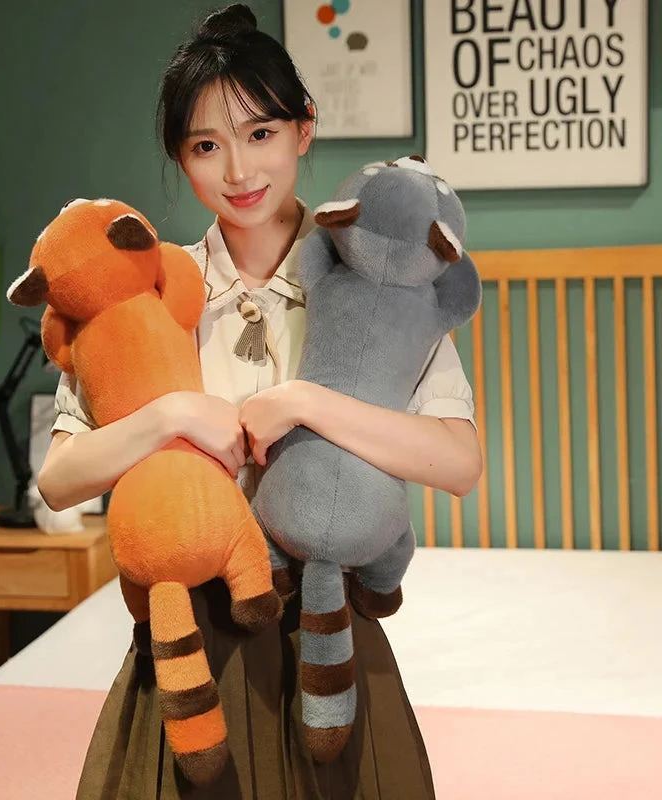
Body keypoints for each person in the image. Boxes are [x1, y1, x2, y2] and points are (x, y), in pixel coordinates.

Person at [38, 5, 482, 798]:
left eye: (261, 134)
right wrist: (171, 416)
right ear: (181, 157)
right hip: (190, 650)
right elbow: (60, 480)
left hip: (332, 640)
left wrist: (306, 402)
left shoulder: (380, 272)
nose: (239, 171)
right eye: (206, 146)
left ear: (304, 129)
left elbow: (458, 464)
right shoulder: (143, 286)